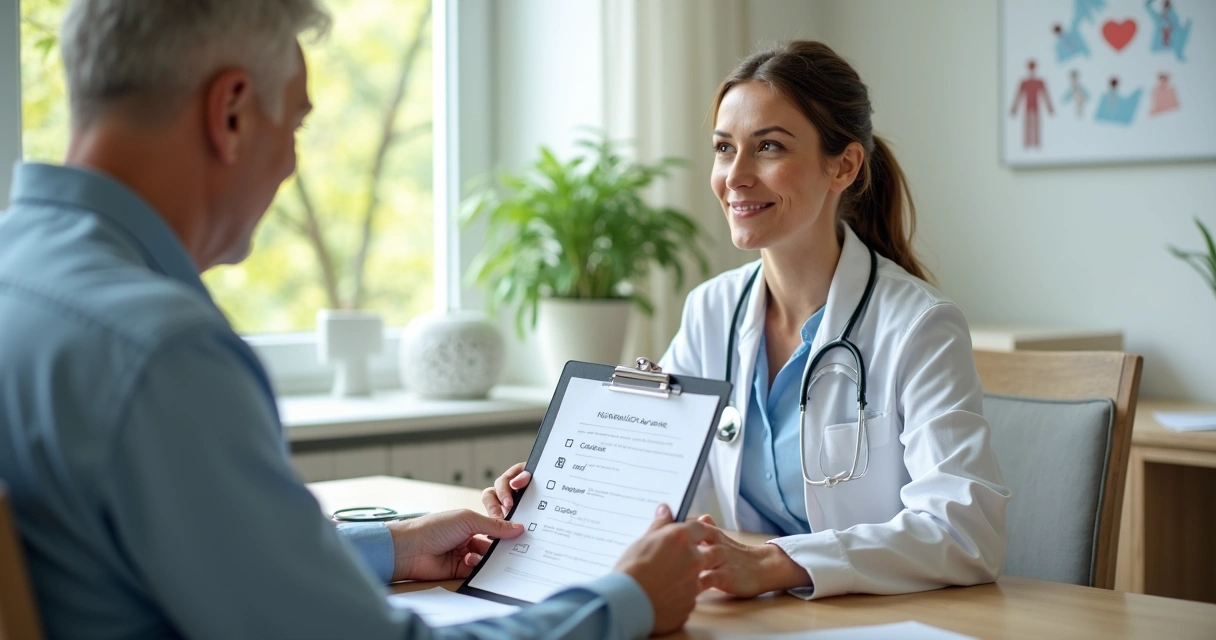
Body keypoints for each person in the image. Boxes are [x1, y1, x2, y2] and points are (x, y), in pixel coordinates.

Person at [0, 1, 713, 638]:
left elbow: (201, 560)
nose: (289, 163)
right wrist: (624, 600)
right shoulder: (161, 353)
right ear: (233, 113)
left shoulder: (26, 286)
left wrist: (392, 547)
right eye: (298, 124)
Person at [485, 41, 1009, 601]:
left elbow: (964, 530)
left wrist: (775, 564)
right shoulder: (712, 310)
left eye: (768, 147)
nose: (735, 175)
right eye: (723, 148)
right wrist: (550, 499)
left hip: (876, 619)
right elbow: (651, 484)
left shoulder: (920, 326)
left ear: (844, 165)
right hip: (759, 616)